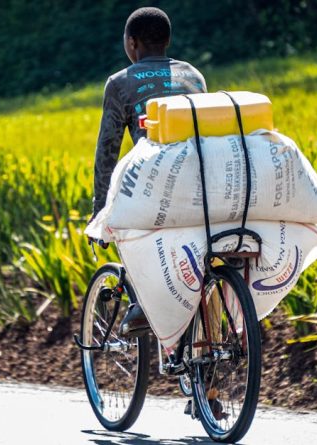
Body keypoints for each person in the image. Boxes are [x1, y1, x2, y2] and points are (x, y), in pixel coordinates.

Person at [90, 7, 207, 336]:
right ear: (168, 41)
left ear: (132, 43)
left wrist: (100, 210)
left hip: (158, 183)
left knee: (127, 221)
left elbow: (107, 151)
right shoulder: (194, 76)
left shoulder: (120, 84)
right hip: (204, 180)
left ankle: (143, 302)